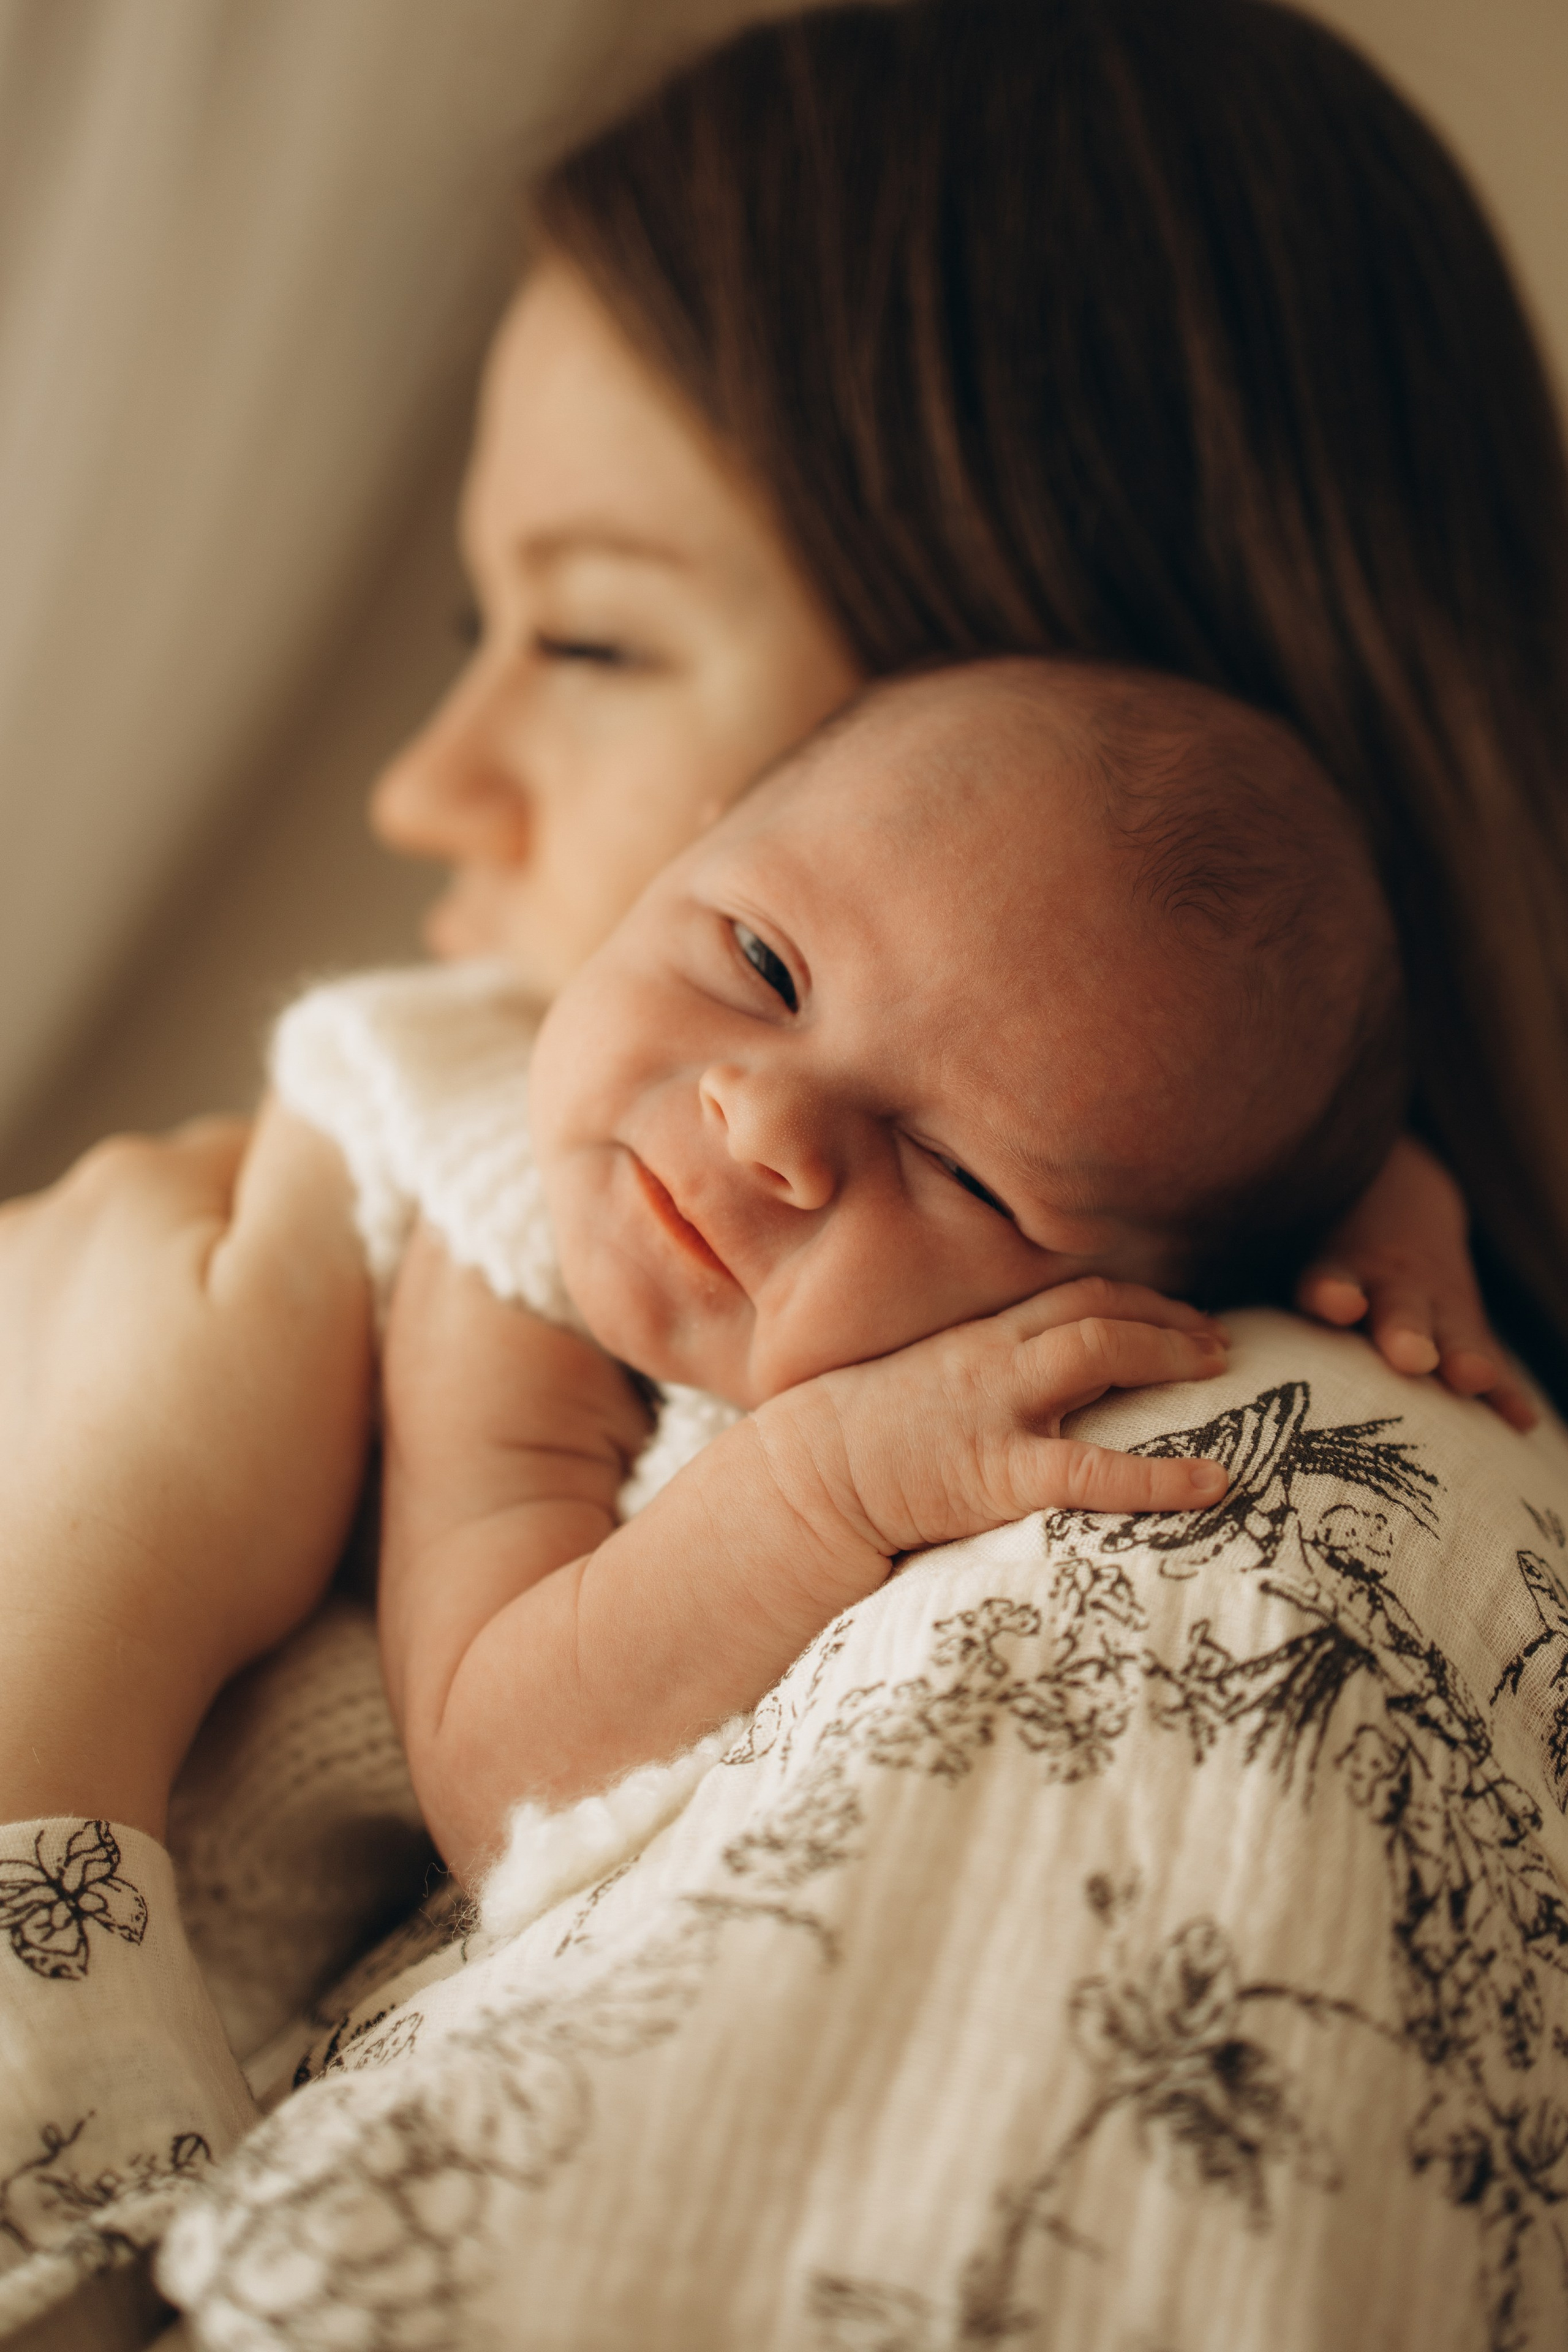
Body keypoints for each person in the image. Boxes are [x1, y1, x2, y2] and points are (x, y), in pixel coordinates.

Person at [2, 0, 1566, 2340]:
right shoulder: (528, 1171)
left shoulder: (1182, 1559)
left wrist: (74, 1593)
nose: (433, 785)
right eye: (477, 620)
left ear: (1047, 663)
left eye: (598, 629)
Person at [374, 651, 1405, 1875]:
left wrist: (1387, 1221)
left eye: (956, 1171)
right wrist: (831, 1485)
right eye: (761, 965)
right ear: (677, 861)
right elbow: (488, 1767)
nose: (765, 1128)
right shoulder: (505, 1257)